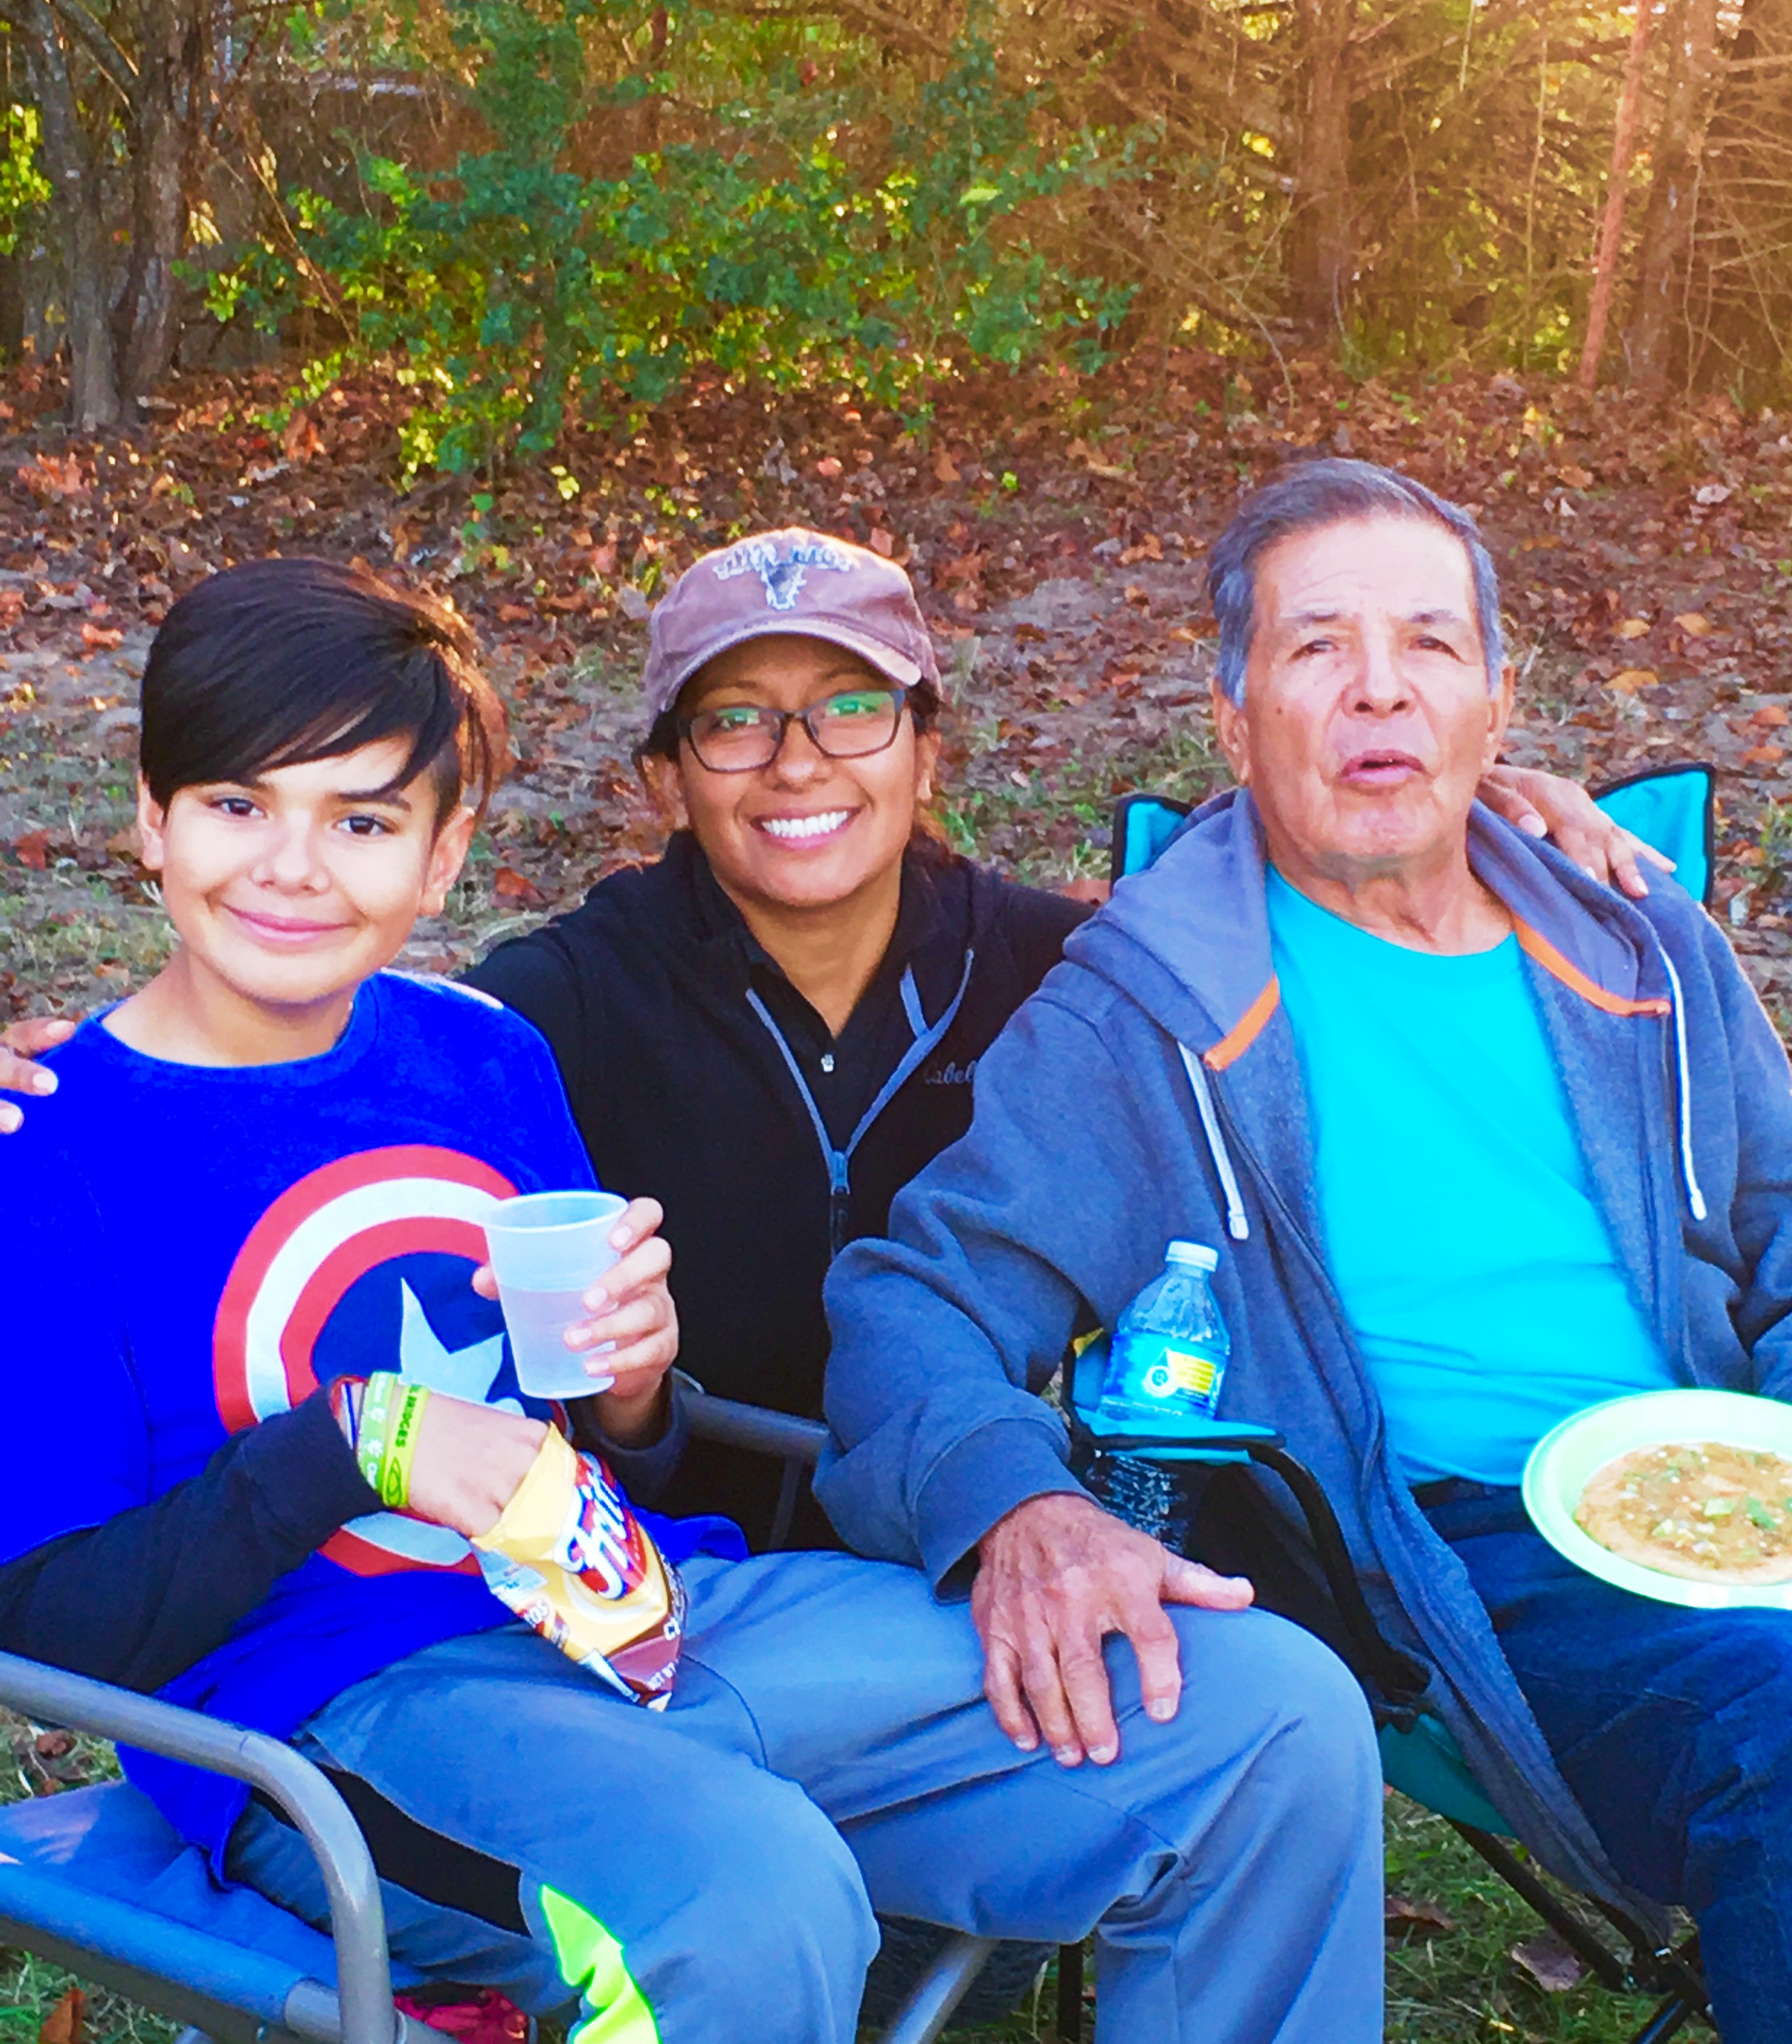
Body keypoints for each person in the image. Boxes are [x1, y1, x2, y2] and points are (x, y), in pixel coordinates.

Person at [0, 554, 1392, 2044]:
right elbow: (53, 1635)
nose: (291, 864)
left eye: (361, 821)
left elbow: (598, 1454)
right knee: (741, 1902)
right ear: (148, 819)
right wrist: (350, 1445)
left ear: (444, 854)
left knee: (1266, 1719)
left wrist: (636, 1393)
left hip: (657, 1621)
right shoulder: (51, 1149)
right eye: (234, 805)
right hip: (347, 1721)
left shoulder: (483, 1057)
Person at [818, 457, 1792, 2044]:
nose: (1378, 689)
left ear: (1497, 703)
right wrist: (1019, 1507)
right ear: (1235, 711)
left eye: (1429, 645)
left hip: (1747, 1489)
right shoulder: (1153, 1013)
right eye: (1318, 647)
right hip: (1464, 1566)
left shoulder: (1642, 941)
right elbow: (911, 1301)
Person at [1, 529, 1660, 1554]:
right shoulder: (557, 1006)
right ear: (666, 778)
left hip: (970, 1527)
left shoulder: (1066, 965)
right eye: (734, 721)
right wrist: (65, 1079)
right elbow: (304, 1052)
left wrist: (1490, 814)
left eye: (853, 708)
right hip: (675, 1559)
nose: (798, 762)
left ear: (927, 749)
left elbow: (1302, 865)